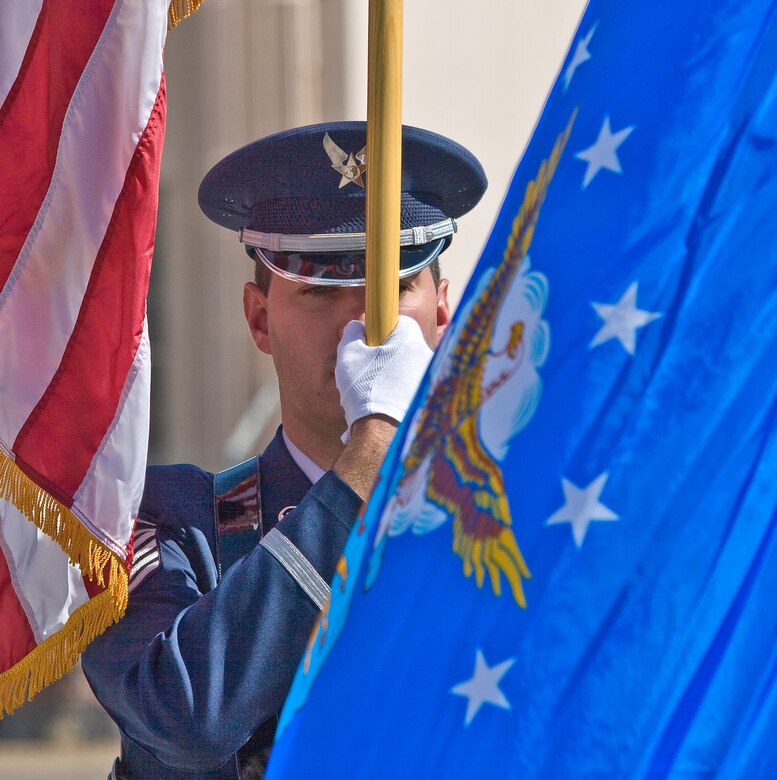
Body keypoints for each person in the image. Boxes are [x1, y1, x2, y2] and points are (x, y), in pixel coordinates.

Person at [82, 121, 486, 779]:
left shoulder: (497, 518)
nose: (365, 324)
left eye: (396, 288)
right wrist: (370, 450)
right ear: (259, 319)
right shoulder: (164, 519)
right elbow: (188, 723)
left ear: (442, 310)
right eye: (321, 293)